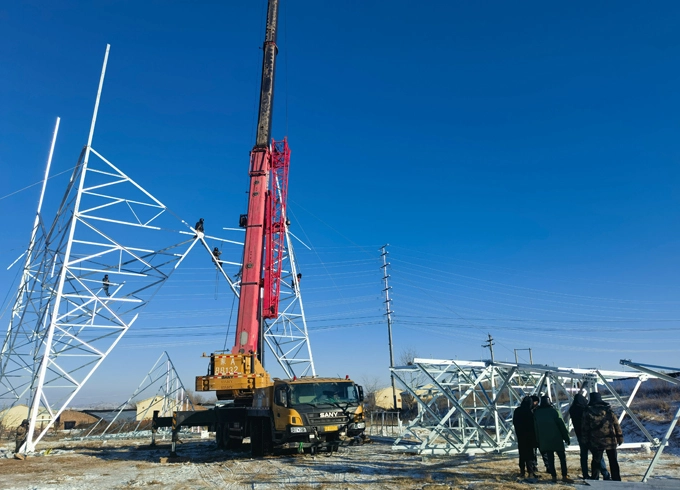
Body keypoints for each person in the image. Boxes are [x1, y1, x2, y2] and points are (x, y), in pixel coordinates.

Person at [569, 390, 611, 480]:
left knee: (584, 456)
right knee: (597, 456)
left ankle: (585, 474)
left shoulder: (572, 410)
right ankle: (605, 474)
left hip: (580, 436)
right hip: (590, 435)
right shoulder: (585, 410)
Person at [582, 392, 623, 481]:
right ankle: (616, 479)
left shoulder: (587, 412)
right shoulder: (608, 411)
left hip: (595, 441)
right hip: (610, 440)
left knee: (596, 461)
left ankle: (595, 479)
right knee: (613, 461)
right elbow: (616, 425)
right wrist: (620, 438)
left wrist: (585, 441)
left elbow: (585, 428)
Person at [534, 395, 574, 483]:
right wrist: (566, 437)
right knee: (562, 458)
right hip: (556, 439)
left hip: (545, 440)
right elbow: (561, 425)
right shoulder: (554, 411)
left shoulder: (537, 413)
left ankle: (554, 477)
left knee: (550, 459)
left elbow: (536, 428)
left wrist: (538, 440)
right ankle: (564, 475)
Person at [513, 396, 538, 479]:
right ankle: (531, 472)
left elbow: (514, 422)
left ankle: (522, 472)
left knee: (522, 454)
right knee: (530, 455)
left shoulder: (517, 411)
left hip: (520, 435)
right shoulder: (530, 412)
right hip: (530, 436)